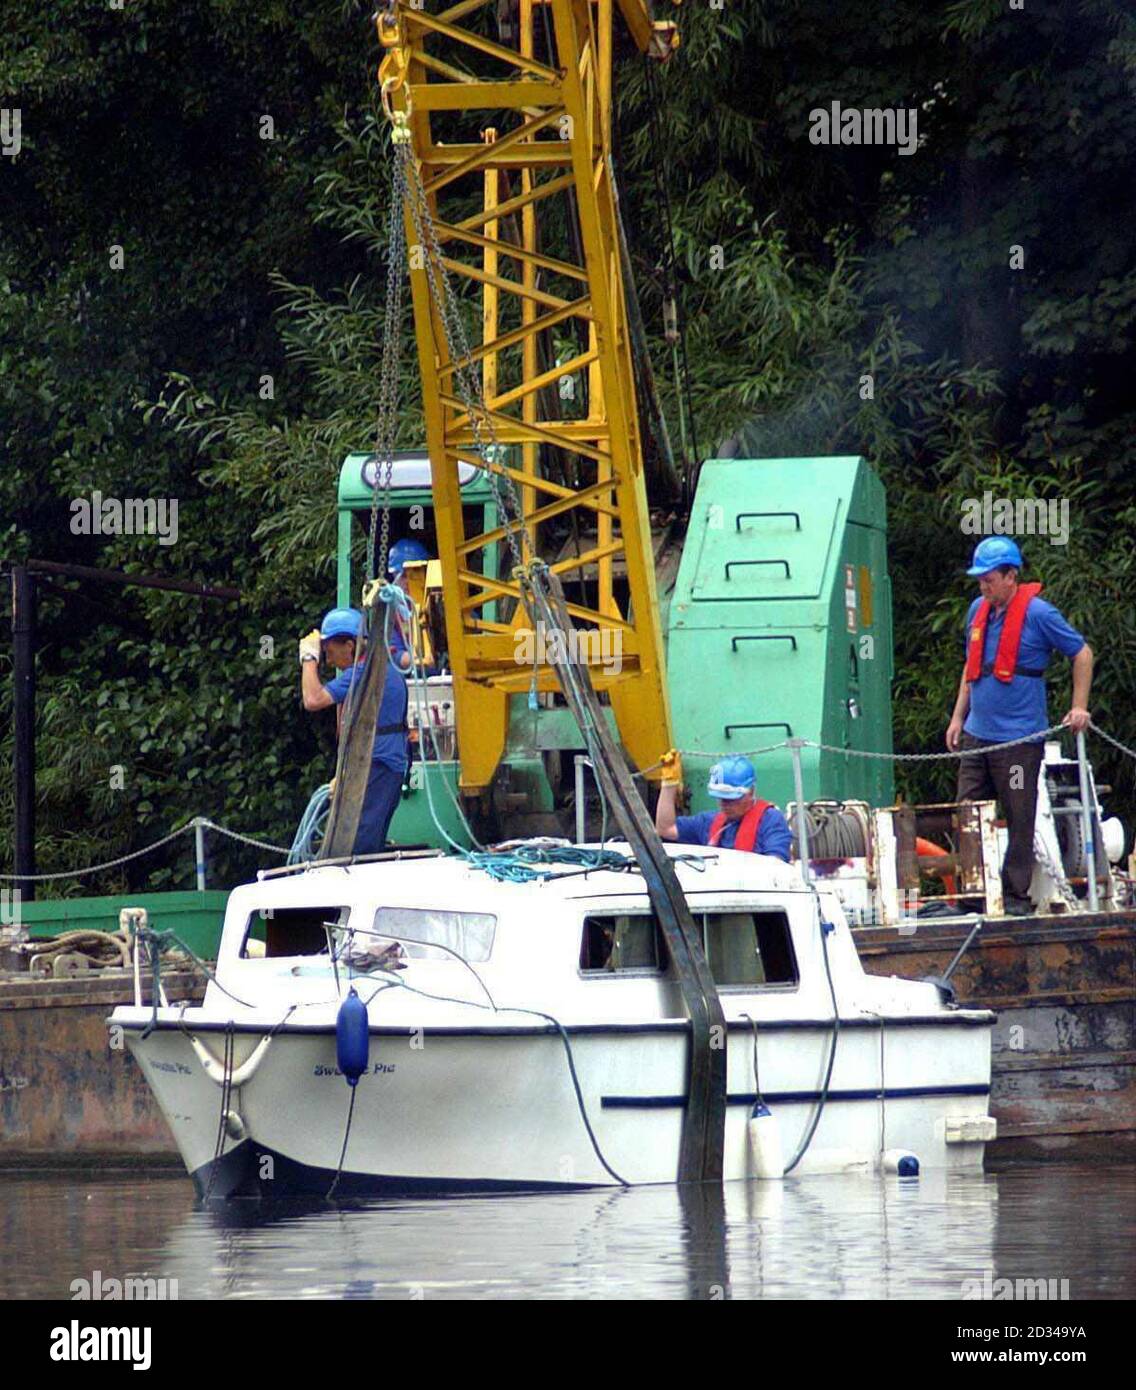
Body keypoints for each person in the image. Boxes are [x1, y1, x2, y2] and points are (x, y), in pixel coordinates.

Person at [945, 537, 1093, 915]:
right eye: (980, 579)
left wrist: (1079, 707)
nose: (983, 586)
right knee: (968, 811)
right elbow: (970, 666)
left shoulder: (1039, 614)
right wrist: (958, 716)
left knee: (1018, 811)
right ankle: (974, 892)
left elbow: (1082, 653)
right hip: (978, 738)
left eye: (989, 578)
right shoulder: (978, 610)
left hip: (1017, 741)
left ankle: (1015, 896)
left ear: (1011, 576)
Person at [299, 606, 409, 855]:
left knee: (361, 842)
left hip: (378, 763)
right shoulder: (379, 667)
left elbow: (313, 699)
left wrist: (308, 659)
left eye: (329, 652)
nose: (328, 660)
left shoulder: (363, 672)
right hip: (382, 763)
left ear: (350, 645)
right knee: (367, 837)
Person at [655, 753, 793, 861]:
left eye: (731, 799)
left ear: (750, 792)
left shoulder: (771, 820)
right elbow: (665, 829)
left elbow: (776, 863)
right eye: (721, 798)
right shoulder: (708, 822)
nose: (724, 804)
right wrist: (669, 784)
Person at [386, 538, 429, 673]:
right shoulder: (391, 613)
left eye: (413, 574)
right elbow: (394, 654)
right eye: (402, 576)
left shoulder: (442, 604)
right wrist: (421, 659)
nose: (407, 581)